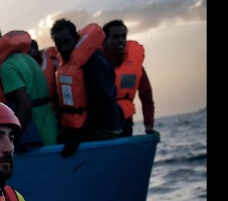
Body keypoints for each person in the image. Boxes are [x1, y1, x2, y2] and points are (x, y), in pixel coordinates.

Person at [0, 21, 57, 151]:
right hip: (50, 129)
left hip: (37, 137)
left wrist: (10, 139)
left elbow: (24, 104)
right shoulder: (26, 58)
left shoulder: (7, 68)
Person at [50, 18, 125, 157]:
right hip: (87, 126)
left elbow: (103, 104)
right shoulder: (68, 63)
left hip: (106, 128)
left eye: (67, 42)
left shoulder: (94, 60)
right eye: (59, 45)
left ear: (76, 37)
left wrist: (77, 138)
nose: (64, 48)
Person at [102, 19, 157, 138]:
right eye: (115, 37)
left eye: (123, 36)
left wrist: (149, 126)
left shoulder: (136, 68)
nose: (120, 40)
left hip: (125, 124)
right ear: (104, 41)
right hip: (99, 126)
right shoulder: (95, 65)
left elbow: (147, 99)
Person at [28, 40, 60, 110]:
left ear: (36, 49)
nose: (28, 56)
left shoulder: (52, 58)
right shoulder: (27, 68)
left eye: (29, 52)